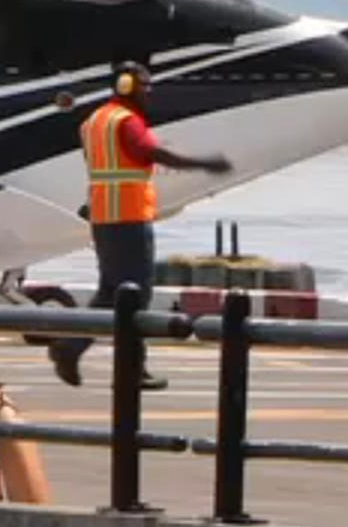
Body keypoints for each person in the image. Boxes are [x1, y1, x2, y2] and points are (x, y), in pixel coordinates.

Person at [49, 62, 231, 390]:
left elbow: (98, 168)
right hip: (129, 218)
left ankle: (73, 347)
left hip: (104, 217)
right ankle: (130, 368)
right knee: (137, 294)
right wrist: (203, 164)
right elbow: (150, 152)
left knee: (111, 293)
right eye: (143, 86)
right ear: (124, 86)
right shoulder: (127, 121)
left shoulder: (94, 121)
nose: (149, 92)